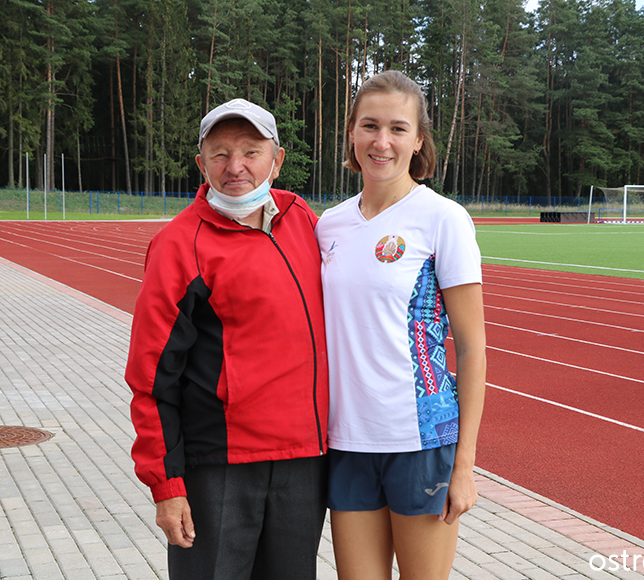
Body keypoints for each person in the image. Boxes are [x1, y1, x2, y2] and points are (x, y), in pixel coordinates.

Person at [125, 98, 328, 580]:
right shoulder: (178, 245)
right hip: (218, 464)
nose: (235, 166)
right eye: (219, 154)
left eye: (250, 152)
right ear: (201, 164)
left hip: (304, 462)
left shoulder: (304, 221)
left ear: (276, 159)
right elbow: (151, 378)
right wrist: (166, 483)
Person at [315, 70, 487, 580]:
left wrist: (464, 466)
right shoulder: (330, 225)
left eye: (397, 128)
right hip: (347, 441)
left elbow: (473, 349)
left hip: (422, 441)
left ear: (418, 140)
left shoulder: (443, 218)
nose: (381, 141)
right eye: (369, 126)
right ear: (351, 133)